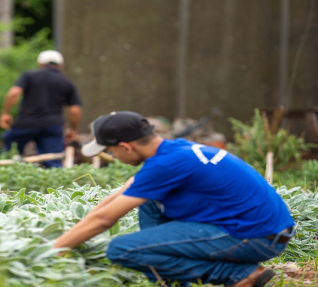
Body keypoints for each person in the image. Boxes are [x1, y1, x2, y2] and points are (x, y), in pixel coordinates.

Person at [52, 111, 295, 287]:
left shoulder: (167, 165)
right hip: (264, 229)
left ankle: (238, 275)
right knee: (147, 201)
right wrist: (79, 226)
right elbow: (123, 194)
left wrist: (54, 250)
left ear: (126, 147)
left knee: (122, 249)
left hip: (255, 237)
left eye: (109, 150)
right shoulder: (175, 150)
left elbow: (105, 219)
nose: (110, 155)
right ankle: (168, 280)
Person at [0, 50, 82, 167]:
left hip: (26, 123)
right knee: (53, 161)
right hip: (52, 125)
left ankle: (2, 181)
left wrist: (5, 113)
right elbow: (74, 110)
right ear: (60, 65)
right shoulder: (67, 83)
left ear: (40, 63)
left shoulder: (29, 76)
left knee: (9, 156)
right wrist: (73, 130)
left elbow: (14, 93)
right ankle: (57, 183)